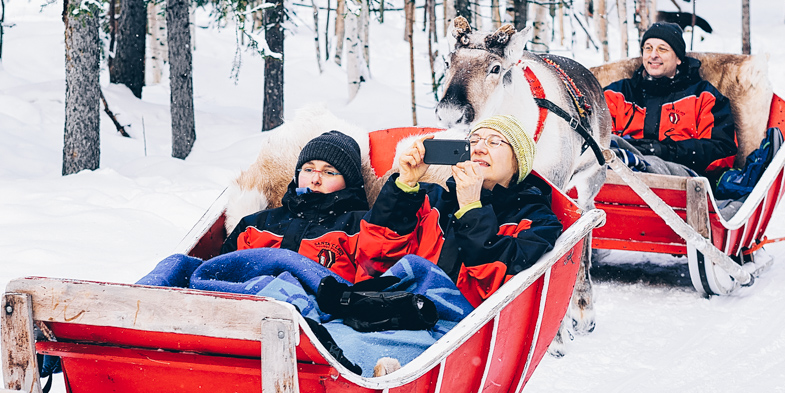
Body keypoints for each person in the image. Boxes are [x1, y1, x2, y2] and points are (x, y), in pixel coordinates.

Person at [354, 115, 564, 307]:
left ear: (518, 162)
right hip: (391, 308)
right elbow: (374, 258)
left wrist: (471, 208)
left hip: (455, 330)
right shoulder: (432, 199)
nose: (478, 149)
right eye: (473, 141)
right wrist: (405, 185)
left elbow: (499, 287)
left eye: (494, 141)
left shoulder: (537, 221)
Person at [221, 131, 370, 277]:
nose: (315, 179)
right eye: (308, 169)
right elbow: (219, 274)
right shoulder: (254, 225)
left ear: (349, 183)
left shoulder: (362, 228)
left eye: (329, 172)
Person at [604, 21, 738, 181]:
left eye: (662, 49)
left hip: (681, 179)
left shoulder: (703, 96)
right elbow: (594, 139)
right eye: (648, 48)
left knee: (647, 165)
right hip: (615, 175)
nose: (653, 55)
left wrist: (666, 151)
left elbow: (723, 152)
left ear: (679, 59)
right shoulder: (617, 93)